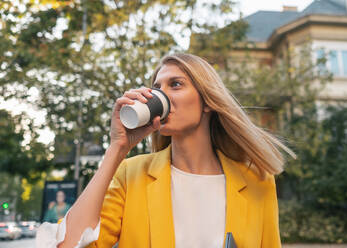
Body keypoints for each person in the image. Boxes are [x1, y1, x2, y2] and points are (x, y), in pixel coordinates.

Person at [36, 53, 295, 248]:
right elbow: (68, 245)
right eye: (157, 88)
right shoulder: (131, 174)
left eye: (176, 84)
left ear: (207, 102)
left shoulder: (257, 180)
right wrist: (118, 148)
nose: (162, 96)